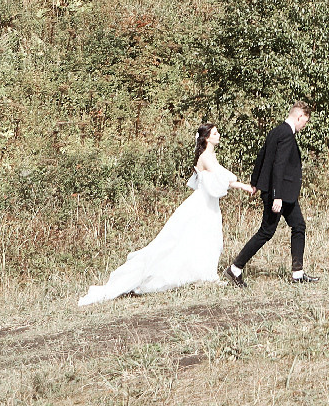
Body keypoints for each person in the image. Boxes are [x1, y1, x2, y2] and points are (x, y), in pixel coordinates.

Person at [78, 123, 257, 306]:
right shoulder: (205, 157)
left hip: (210, 204)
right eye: (215, 133)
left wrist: (240, 184)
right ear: (206, 138)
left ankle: (206, 273)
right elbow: (221, 176)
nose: (219, 135)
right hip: (201, 204)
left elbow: (221, 177)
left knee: (209, 238)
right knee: (181, 240)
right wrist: (242, 185)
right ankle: (191, 275)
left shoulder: (211, 155)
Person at [227, 101, 317, 287]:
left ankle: (297, 273)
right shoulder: (286, 134)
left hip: (282, 192)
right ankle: (235, 269)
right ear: (299, 116)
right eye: (305, 122)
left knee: (298, 225)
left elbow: (262, 156)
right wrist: (277, 195)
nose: (304, 126)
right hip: (280, 193)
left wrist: (254, 183)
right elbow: (279, 165)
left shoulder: (276, 131)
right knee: (266, 232)